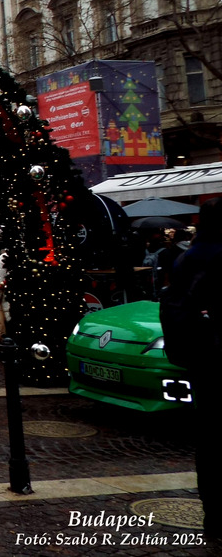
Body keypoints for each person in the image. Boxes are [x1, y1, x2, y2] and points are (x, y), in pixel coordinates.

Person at [161, 197, 222, 539]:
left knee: (209, 436)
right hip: (217, 352)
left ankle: (212, 513)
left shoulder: (187, 257)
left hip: (198, 355)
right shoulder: (217, 256)